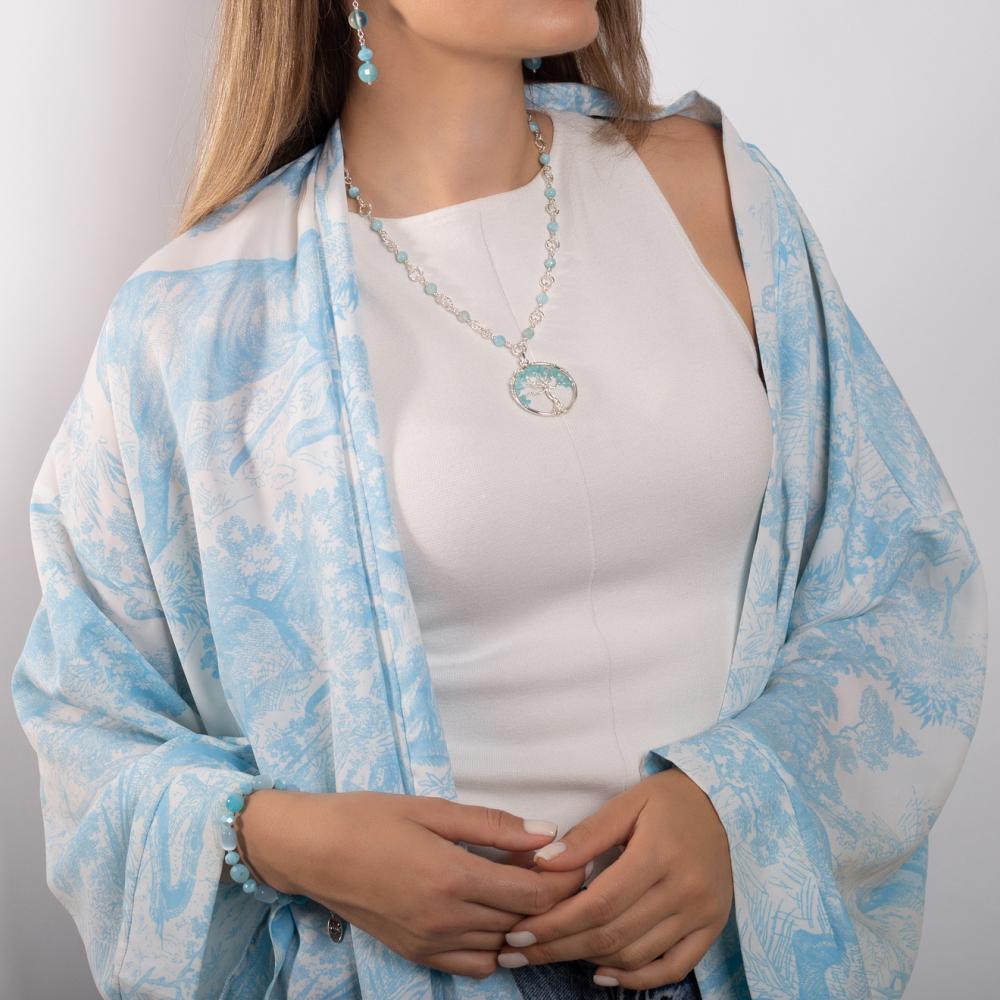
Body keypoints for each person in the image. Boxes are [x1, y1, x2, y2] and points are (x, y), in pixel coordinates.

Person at [11, 2, 988, 1000]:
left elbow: (902, 578)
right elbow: (87, 723)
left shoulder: (720, 192)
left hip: (730, 964)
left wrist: (733, 804)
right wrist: (290, 841)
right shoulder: (197, 320)